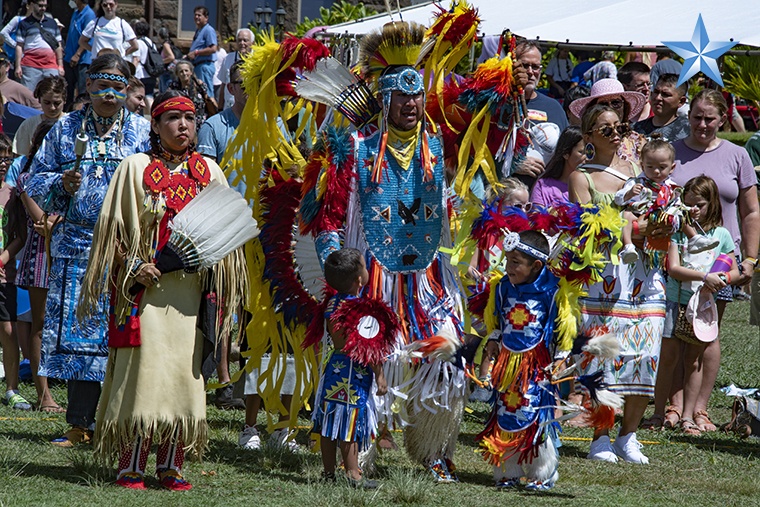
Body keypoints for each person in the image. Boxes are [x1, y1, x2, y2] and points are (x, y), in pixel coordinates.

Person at [299, 22, 468, 482]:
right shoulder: (352, 150)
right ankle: (362, 448)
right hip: (368, 278)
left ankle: (433, 445)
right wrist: (339, 275)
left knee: (446, 351)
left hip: (427, 276)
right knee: (370, 355)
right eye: (400, 97)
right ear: (385, 99)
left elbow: (457, 203)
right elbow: (326, 216)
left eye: (416, 97)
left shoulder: (437, 148)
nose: (411, 105)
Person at [77, 89, 245, 491]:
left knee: (182, 378)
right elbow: (114, 231)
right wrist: (134, 266)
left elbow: (223, 239)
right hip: (146, 295)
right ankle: (130, 463)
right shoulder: (135, 168)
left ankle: (171, 465)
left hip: (190, 296)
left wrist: (214, 273)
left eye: (189, 119)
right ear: (155, 125)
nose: (182, 126)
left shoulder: (210, 171)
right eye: (172, 118)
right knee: (146, 375)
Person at [25, 53, 151, 447]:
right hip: (77, 245)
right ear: (88, 86)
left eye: (118, 85)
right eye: (102, 84)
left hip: (126, 248)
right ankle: (80, 423)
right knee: (82, 337)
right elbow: (33, 179)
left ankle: (119, 423)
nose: (110, 93)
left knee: (123, 333)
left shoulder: (143, 132)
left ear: (128, 88)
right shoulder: (65, 128)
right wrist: (62, 183)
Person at [569, 104, 665, 465]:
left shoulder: (643, 171)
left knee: (645, 355)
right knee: (603, 358)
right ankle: (600, 438)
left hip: (645, 276)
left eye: (619, 127)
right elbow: (585, 227)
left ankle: (630, 436)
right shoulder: (583, 177)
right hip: (606, 279)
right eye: (604, 128)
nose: (614, 133)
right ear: (589, 136)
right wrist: (636, 229)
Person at [669, 89, 760, 432]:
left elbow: (751, 212)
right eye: (696, 117)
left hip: (721, 260)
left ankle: (701, 409)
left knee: (707, 333)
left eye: (710, 118)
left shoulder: (737, 155)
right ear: (688, 116)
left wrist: (749, 259)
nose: (702, 124)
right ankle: (675, 407)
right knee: (675, 334)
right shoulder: (673, 153)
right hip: (678, 256)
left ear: (723, 119)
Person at [648, 176, 738, 435]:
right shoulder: (678, 231)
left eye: (699, 204)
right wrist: (703, 276)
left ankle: (688, 416)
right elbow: (674, 269)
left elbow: (731, 267)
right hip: (676, 302)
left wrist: (723, 279)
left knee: (694, 360)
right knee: (668, 358)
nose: (693, 210)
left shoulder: (721, 234)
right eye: (688, 206)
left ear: (712, 203)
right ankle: (658, 413)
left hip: (702, 307)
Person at [477, 230, 562, 490]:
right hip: (507, 364)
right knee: (506, 410)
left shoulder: (552, 290)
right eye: (507, 260)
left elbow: (560, 329)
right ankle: (507, 470)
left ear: (536, 265)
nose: (508, 267)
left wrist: (560, 358)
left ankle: (542, 472)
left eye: (516, 262)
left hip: (537, 365)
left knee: (534, 412)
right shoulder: (502, 286)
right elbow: (498, 320)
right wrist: (493, 339)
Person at [312, 248, 389, 488]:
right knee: (349, 422)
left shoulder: (332, 304)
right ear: (359, 279)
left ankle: (328, 472)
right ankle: (353, 474)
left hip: (334, 366)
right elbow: (369, 347)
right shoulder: (362, 310)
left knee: (328, 421)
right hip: (355, 371)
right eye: (365, 267)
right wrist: (380, 375)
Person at [13, 117, 59, 412]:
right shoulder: (27, 178)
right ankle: (44, 395)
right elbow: (41, 222)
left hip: (67, 254)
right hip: (41, 256)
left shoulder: (70, 176)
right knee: (39, 325)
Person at [614, 140, 718, 265]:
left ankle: (693, 238)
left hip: (662, 218)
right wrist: (629, 193)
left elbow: (679, 204)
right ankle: (628, 247)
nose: (656, 171)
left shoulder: (671, 187)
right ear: (642, 166)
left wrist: (690, 212)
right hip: (639, 214)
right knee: (626, 215)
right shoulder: (636, 182)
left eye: (662, 167)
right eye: (650, 167)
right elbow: (618, 199)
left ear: (672, 168)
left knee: (680, 213)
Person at [511, 41, 568, 185]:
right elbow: (477, 152)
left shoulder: (554, 107)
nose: (530, 71)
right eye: (524, 65)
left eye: (535, 67)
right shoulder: (497, 105)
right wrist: (512, 164)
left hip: (543, 197)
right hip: (502, 196)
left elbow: (567, 154)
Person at [0, 133, 29, 410]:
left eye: (6, 158)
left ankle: (12, 388)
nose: (2, 163)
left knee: (9, 330)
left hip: (4, 274)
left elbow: (20, 234)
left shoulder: (12, 194)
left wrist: (4, 257)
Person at [570, 78, 647, 163]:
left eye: (616, 103)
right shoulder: (580, 142)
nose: (610, 108)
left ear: (625, 106)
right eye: (603, 104)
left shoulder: (638, 143)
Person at [14, 0, 64, 90]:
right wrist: (18, 66)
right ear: (33, 5)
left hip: (51, 66)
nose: (43, 8)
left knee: (52, 93)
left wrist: (60, 65)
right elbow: (19, 46)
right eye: (40, 6)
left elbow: (58, 46)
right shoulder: (24, 24)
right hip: (30, 66)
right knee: (29, 96)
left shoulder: (52, 23)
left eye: (45, 6)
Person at [531, 126, 584, 207]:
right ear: (566, 153)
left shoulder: (592, 188)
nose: (587, 157)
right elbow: (537, 216)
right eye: (581, 152)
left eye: (590, 151)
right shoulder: (543, 186)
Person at [13, 75, 65, 156]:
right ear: (39, 100)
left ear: (64, 100)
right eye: (47, 103)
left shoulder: (72, 124)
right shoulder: (29, 124)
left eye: (57, 103)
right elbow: (20, 157)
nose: (52, 108)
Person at [633, 74, 690, 142]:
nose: (658, 98)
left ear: (681, 101)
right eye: (656, 92)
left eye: (665, 94)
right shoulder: (635, 130)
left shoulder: (689, 131)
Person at [63, 0, 95, 110]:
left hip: (82, 60)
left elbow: (88, 36)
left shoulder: (89, 14)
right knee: (68, 90)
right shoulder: (76, 13)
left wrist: (78, 54)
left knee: (82, 90)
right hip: (69, 57)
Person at [169, 59, 215, 131]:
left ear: (191, 72)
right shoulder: (173, 87)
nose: (184, 73)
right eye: (181, 71)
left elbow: (208, 100)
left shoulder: (199, 85)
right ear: (177, 74)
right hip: (182, 124)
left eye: (186, 70)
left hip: (200, 123)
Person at [216, 28, 252, 110]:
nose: (242, 43)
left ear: (252, 43)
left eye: (245, 40)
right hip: (229, 108)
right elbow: (223, 85)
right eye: (239, 40)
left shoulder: (258, 61)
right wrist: (220, 108)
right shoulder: (228, 58)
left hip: (250, 110)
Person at [187, 6, 217, 99]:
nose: (196, 17)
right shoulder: (198, 31)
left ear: (206, 18)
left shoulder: (208, 30)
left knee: (207, 94)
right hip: (197, 67)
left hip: (204, 66)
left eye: (199, 15)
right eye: (195, 15)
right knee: (199, 94)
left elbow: (213, 48)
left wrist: (196, 53)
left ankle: (212, 113)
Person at [131, 21, 156, 112]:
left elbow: (136, 59)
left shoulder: (138, 43)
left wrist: (131, 73)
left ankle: (138, 115)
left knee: (138, 96)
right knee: (149, 96)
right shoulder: (151, 43)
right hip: (150, 73)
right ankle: (154, 114)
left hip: (140, 74)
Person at [157, 26, 180, 93]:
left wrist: (161, 62)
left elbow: (171, 57)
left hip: (167, 72)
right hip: (168, 72)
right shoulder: (170, 43)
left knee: (165, 92)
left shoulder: (165, 45)